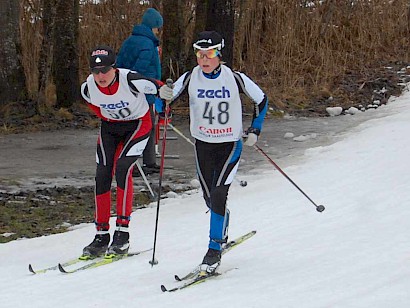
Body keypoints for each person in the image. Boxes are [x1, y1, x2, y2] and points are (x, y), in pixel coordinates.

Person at [158, 31, 268, 274]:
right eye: (199, 54)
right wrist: (162, 99)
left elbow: (262, 100)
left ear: (219, 54)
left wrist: (255, 130)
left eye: (209, 54)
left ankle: (214, 249)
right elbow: (162, 106)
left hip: (230, 144)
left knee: (219, 194)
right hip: (203, 145)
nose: (204, 59)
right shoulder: (189, 78)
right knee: (210, 199)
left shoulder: (235, 78)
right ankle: (221, 222)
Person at [80, 45, 162, 258]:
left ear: (114, 68)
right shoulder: (88, 87)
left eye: (105, 70)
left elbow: (158, 87)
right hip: (110, 128)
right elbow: (94, 106)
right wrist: (111, 115)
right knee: (102, 175)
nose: (100, 76)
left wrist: (164, 95)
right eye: (96, 71)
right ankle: (101, 234)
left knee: (124, 168)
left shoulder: (130, 79)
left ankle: (122, 233)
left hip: (138, 124)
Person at [116, 8, 164, 176]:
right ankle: (141, 162)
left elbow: (119, 65)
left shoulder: (129, 41)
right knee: (146, 126)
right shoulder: (148, 45)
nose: (158, 32)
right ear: (154, 27)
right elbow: (139, 70)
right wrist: (146, 87)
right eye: (158, 28)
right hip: (143, 92)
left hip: (127, 90)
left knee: (137, 125)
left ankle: (144, 161)